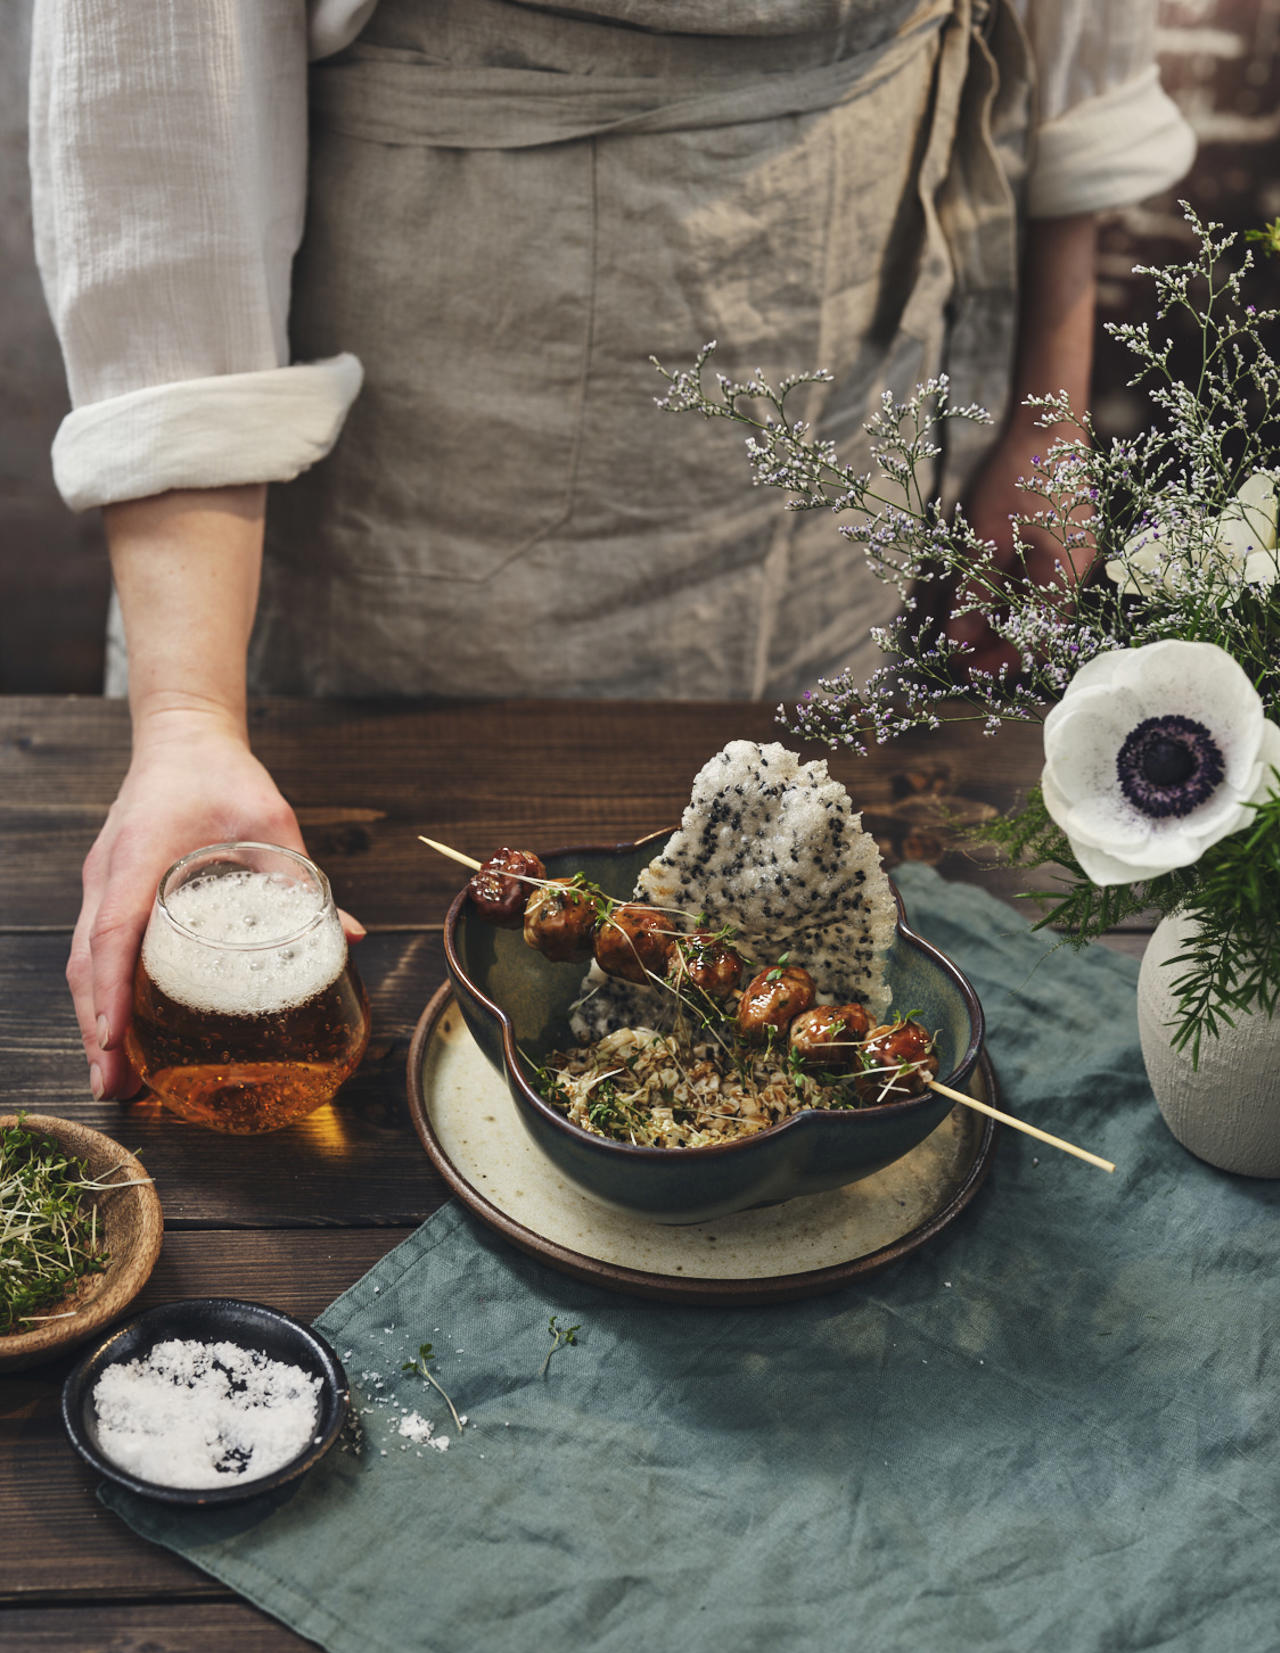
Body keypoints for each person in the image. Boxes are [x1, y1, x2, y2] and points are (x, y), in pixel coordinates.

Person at [29, 0, 1195, 1102]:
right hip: (448, 462)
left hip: (860, 348)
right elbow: (160, 113)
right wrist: (190, 716)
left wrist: (1047, 415)